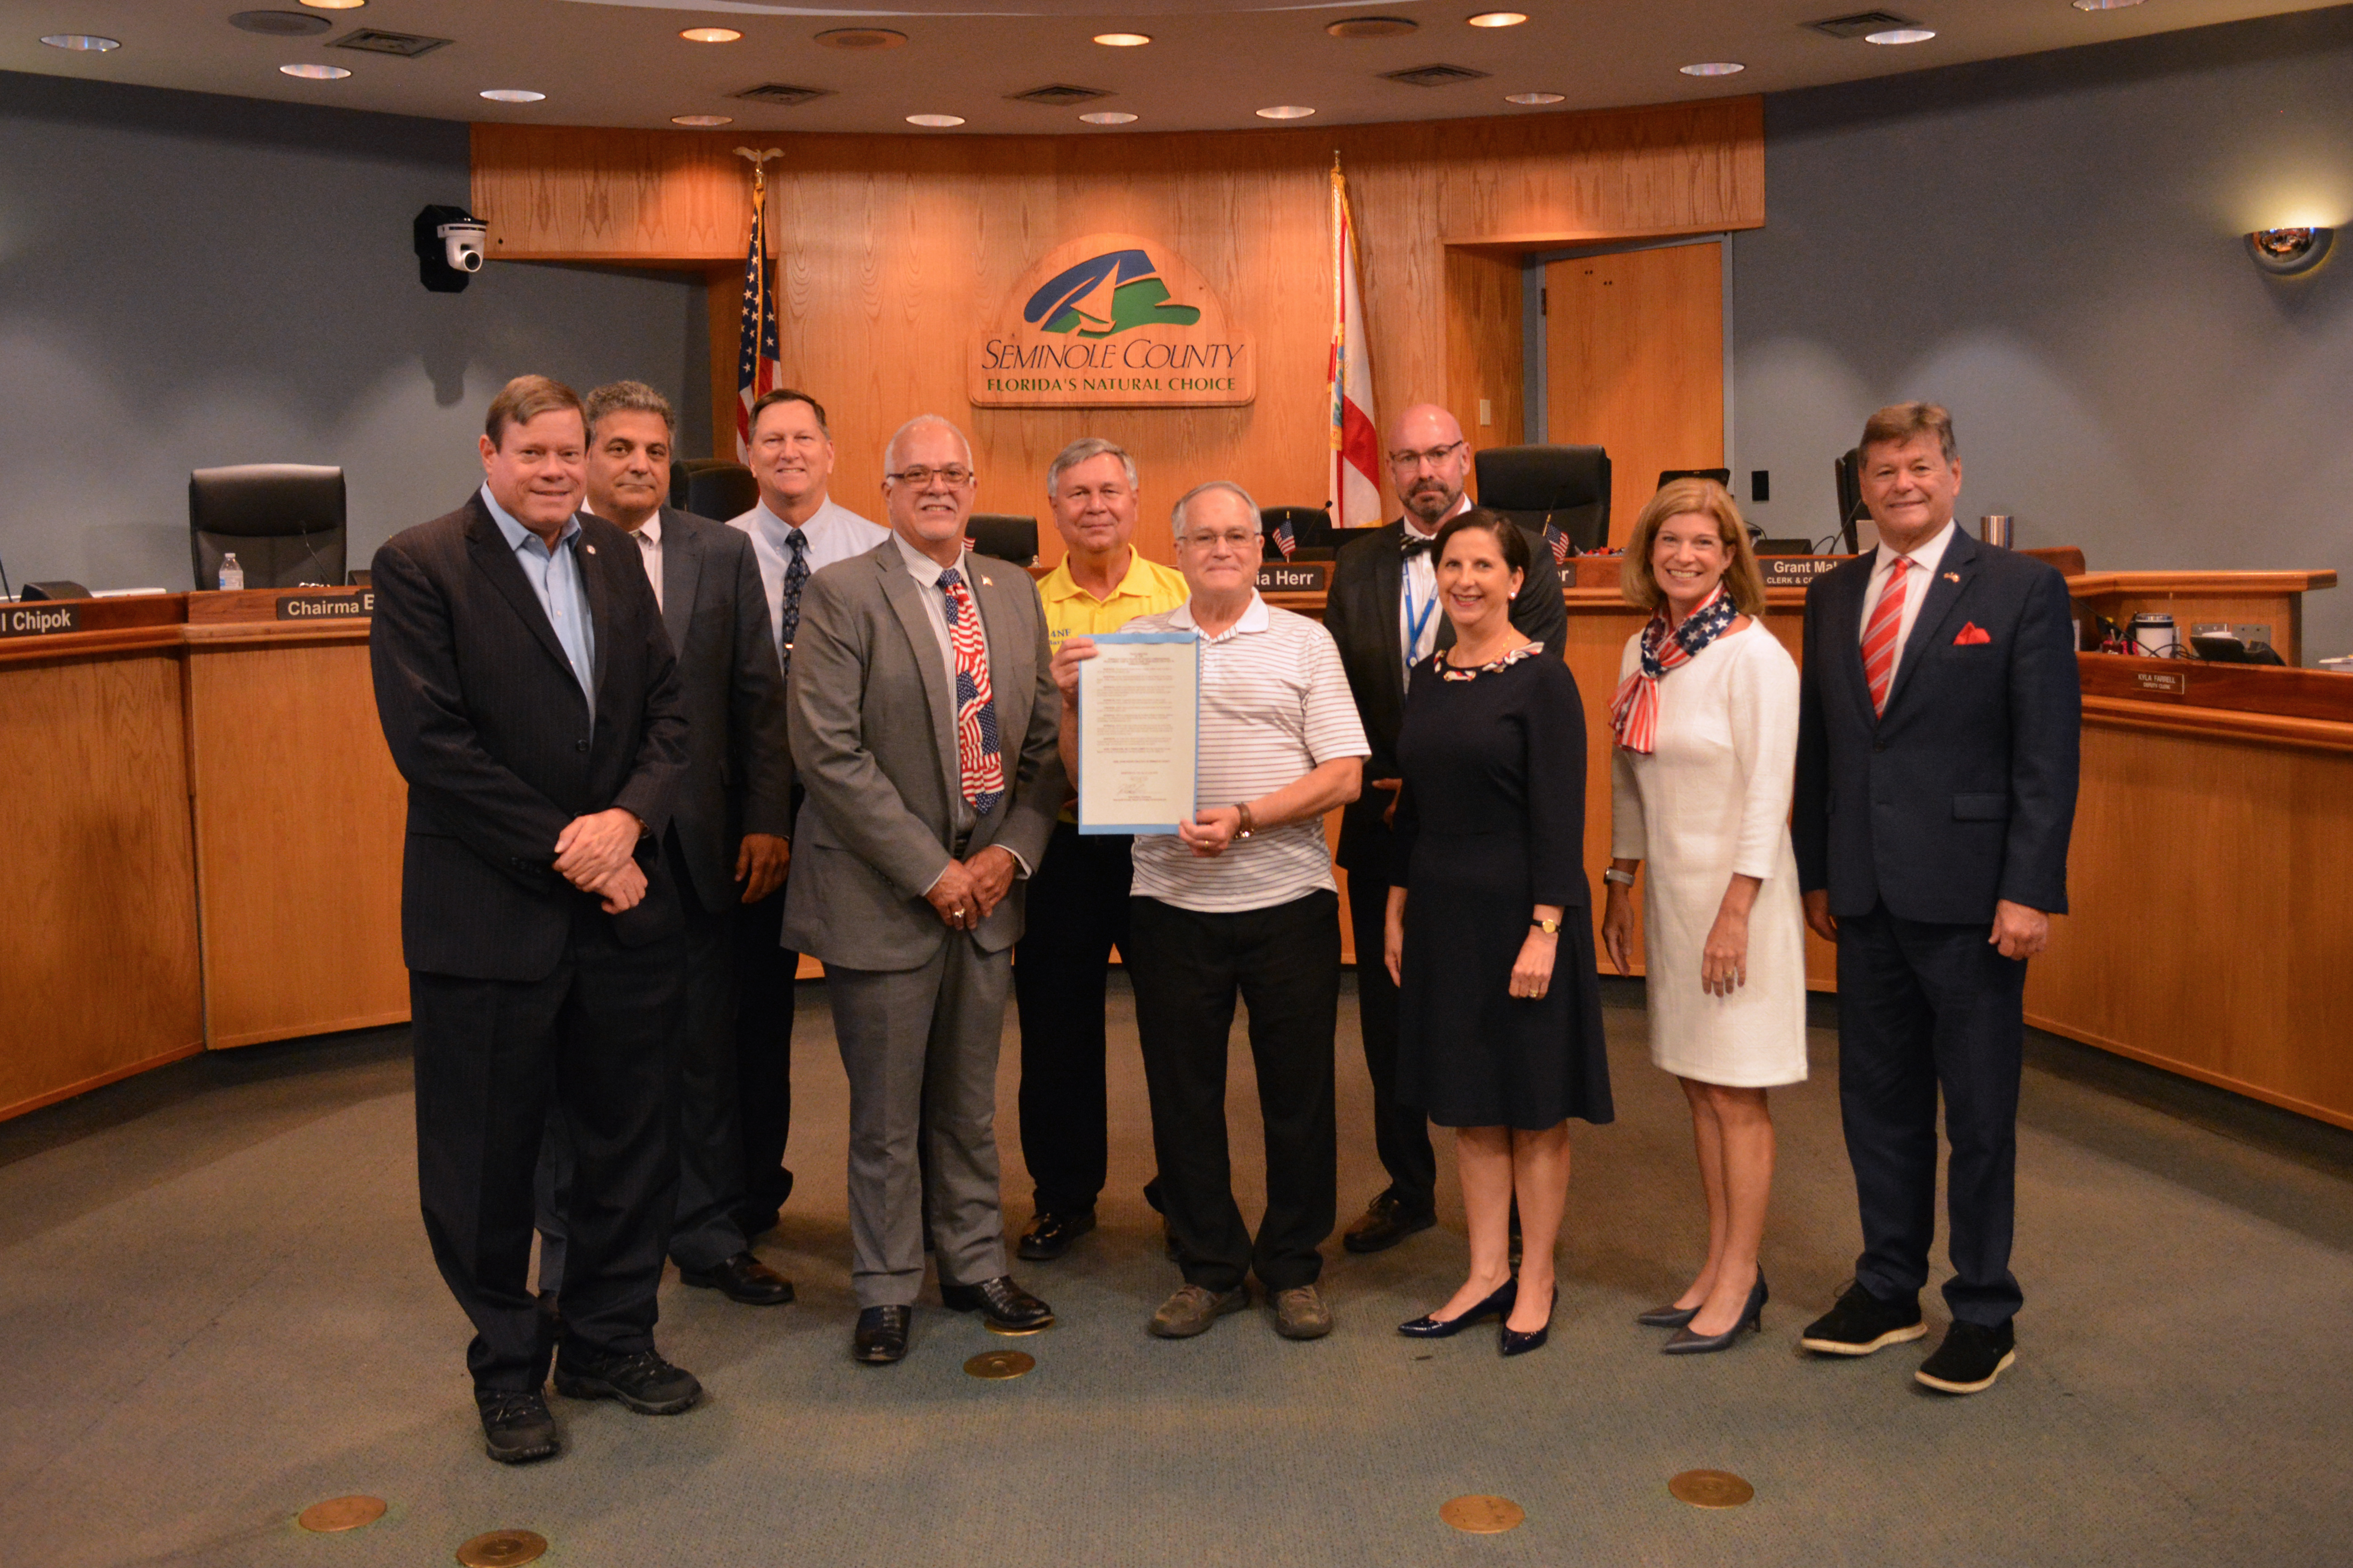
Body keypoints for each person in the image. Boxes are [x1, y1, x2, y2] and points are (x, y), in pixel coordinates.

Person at [369, 374, 696, 1465]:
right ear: (490, 452)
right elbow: (433, 747)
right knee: (485, 1168)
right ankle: (507, 1369)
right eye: (538, 453)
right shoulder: (422, 565)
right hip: (490, 919)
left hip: (620, 922)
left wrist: (626, 823)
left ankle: (609, 1340)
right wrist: (581, 849)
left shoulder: (609, 556)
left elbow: (667, 716)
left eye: (573, 452)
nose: (558, 471)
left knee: (626, 1147)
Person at [1793, 402, 2081, 1395]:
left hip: (1972, 902)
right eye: (1882, 473)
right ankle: (1885, 1287)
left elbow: (2046, 757)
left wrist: (2029, 889)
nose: (1901, 485)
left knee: (1980, 1115)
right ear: (1861, 488)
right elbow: (1822, 749)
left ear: (1954, 474)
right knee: (1877, 1105)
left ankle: (1984, 1306)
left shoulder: (2021, 590)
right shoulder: (1832, 597)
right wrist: (1818, 872)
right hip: (1866, 894)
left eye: (1919, 467)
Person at [1053, 481, 1368, 1343]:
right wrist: (1076, 705)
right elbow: (1088, 781)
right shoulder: (1133, 646)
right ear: (1179, 550)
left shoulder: (1306, 643)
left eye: (1238, 535)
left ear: (1262, 548)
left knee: (1297, 1094)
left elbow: (1344, 772)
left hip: (1287, 902)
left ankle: (1294, 1267)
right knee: (1182, 1095)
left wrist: (1248, 817)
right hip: (1170, 906)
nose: (1222, 549)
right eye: (1204, 537)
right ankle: (1211, 1266)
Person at [784, 414, 1063, 1365]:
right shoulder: (840, 593)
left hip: (986, 899)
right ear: (889, 487)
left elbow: (1041, 752)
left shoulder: (1014, 594)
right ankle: (888, 1285)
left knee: (966, 1103)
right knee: (887, 1113)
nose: (936, 487)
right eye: (917, 475)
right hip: (886, 895)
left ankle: (974, 1262)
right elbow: (827, 752)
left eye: (953, 473)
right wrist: (931, 870)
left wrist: (1007, 858)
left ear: (973, 486)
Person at [533, 381, 796, 1312]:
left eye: (653, 450)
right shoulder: (548, 556)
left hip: (698, 850)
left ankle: (712, 1234)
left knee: (703, 1055)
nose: (637, 464)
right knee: (589, 1064)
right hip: (580, 858)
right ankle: (596, 1247)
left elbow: (759, 698)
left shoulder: (718, 552)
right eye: (617, 449)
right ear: (585, 456)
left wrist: (768, 818)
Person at [1325, 403, 1567, 1257]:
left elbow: (1529, 680)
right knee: (1393, 1018)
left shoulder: (1520, 556)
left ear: (1464, 458)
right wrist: (1374, 774)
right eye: (1406, 459)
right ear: (1389, 472)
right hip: (1386, 821)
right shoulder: (1353, 564)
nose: (1424, 471)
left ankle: (1509, 1223)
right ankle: (1408, 1186)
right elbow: (1334, 683)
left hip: (1488, 828)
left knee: (1493, 1015)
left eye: (1438, 454)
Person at [1381, 509, 1609, 1357]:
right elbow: (1415, 804)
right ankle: (1483, 1272)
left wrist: (1547, 927)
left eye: (1484, 565)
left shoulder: (1544, 680)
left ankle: (1536, 1275)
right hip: (1444, 913)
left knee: (1533, 1107)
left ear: (1517, 581)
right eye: (1452, 564)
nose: (1465, 580)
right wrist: (1398, 905)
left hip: (1522, 913)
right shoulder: (1430, 675)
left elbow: (1561, 814)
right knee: (1471, 1104)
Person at [1599, 479, 1806, 1356]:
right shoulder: (1645, 652)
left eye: (1704, 545)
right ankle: (1722, 1265)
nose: (1685, 556)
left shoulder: (1754, 656)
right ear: (1650, 555)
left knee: (1736, 1092)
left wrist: (1736, 910)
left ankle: (1742, 1277)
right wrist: (1620, 879)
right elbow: (1628, 777)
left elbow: (1771, 793)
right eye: (1669, 542)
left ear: (1731, 558)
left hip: (1740, 904)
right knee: (1697, 1085)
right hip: (1679, 899)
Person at [1012, 437, 1191, 1263]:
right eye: (1077, 493)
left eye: (1110, 490)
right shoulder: (1019, 605)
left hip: (1163, 844)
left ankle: (1184, 1189)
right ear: (1055, 510)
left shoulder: (1182, 592)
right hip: (1062, 838)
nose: (1095, 505)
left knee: (1178, 1021)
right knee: (1057, 1027)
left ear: (1135, 499)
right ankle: (1065, 1195)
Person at [725, 389, 888, 1240]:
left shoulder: (879, 550)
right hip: (752, 807)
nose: (788, 452)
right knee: (752, 1014)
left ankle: (900, 1204)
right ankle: (749, 1196)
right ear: (750, 455)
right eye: (771, 439)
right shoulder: (712, 553)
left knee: (880, 1015)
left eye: (804, 438)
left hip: (860, 807)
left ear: (831, 451)